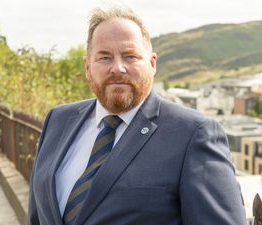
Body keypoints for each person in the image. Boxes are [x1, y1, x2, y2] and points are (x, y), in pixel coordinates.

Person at [27, 6, 247, 225]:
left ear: (152, 64)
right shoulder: (58, 120)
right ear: (87, 67)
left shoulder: (194, 134)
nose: (118, 68)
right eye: (104, 57)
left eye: (130, 56)